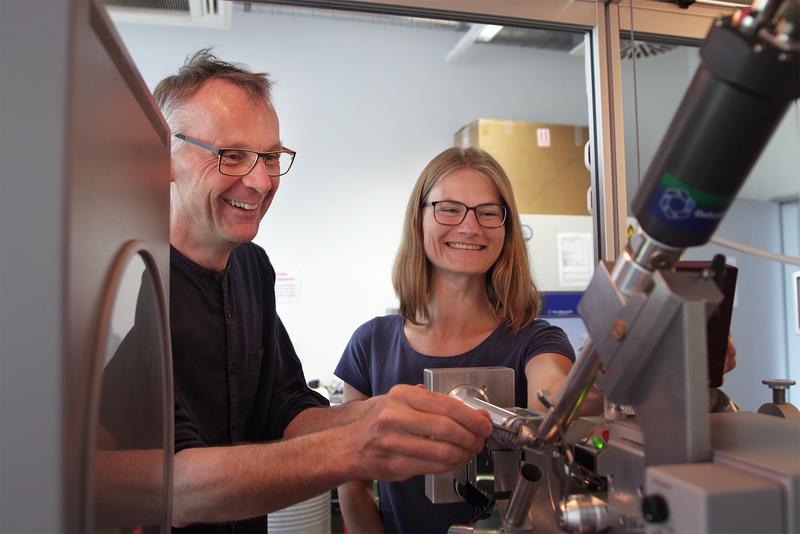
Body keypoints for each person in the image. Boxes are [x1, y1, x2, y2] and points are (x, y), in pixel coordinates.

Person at [151, 50, 492, 532]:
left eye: (270, 157)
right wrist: (353, 447)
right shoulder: (128, 283)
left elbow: (286, 409)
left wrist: (382, 412)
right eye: (231, 156)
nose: (261, 180)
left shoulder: (251, 268)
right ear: (163, 154)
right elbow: (173, 487)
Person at [335, 147, 597, 534]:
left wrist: (636, 366)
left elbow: (555, 398)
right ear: (419, 219)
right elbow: (352, 479)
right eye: (450, 209)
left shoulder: (536, 340)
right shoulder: (369, 344)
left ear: (506, 228)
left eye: (488, 212)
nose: (470, 227)